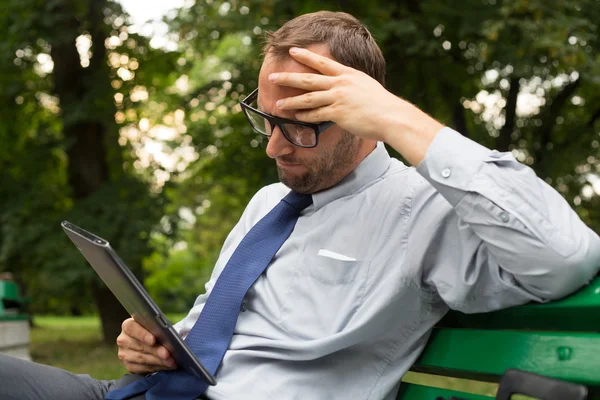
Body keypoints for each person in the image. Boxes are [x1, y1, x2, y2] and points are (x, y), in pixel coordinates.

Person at [2, 10, 600, 400]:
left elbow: (567, 258)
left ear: (362, 118)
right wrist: (155, 342)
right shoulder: (268, 203)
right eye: (265, 119)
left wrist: (397, 116)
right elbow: (218, 325)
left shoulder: (425, 213)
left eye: (299, 127)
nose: (271, 146)